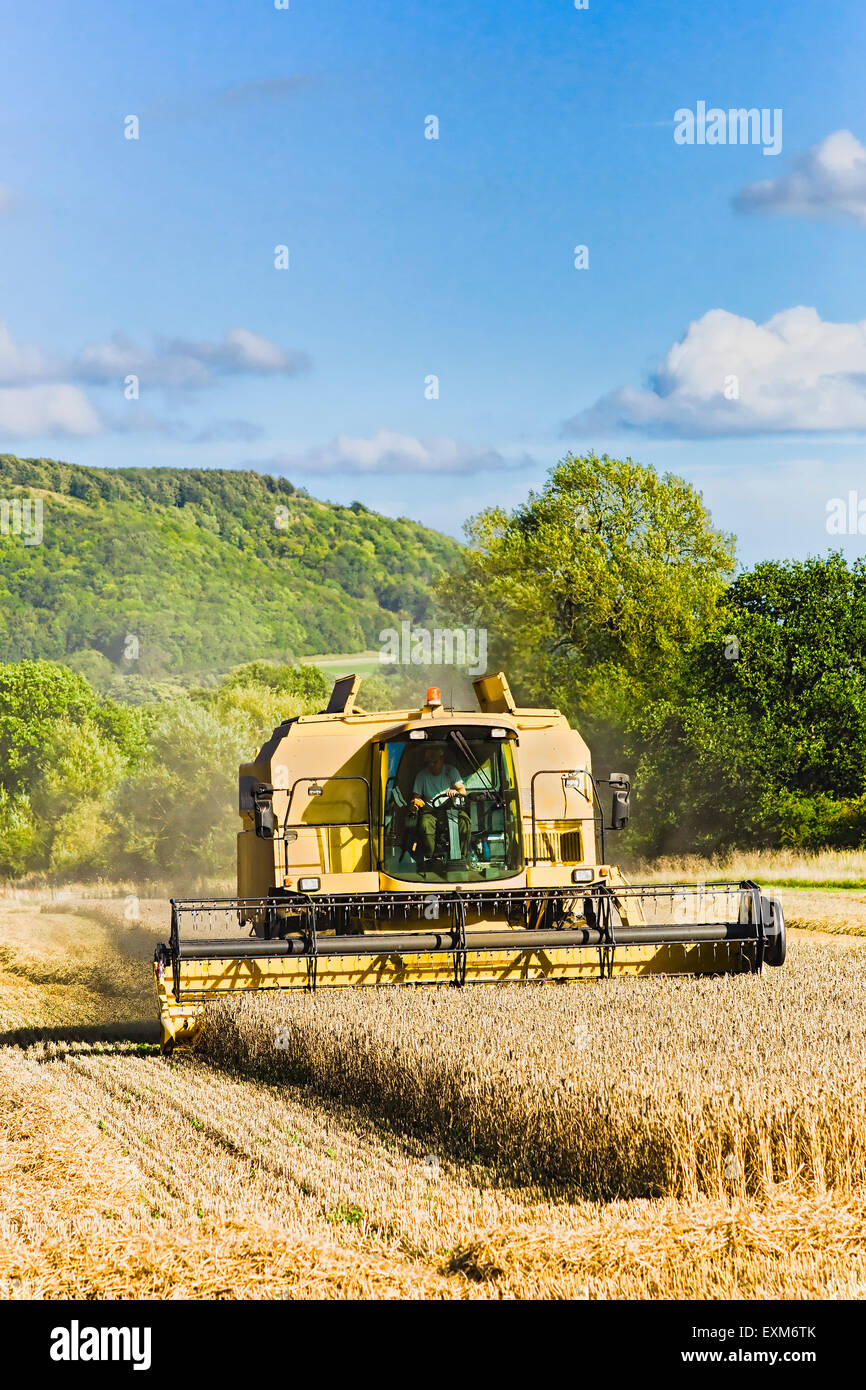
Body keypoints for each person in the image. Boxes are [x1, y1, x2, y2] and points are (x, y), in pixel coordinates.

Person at [412, 743, 470, 862]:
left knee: (465, 823)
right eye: (429, 763)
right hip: (430, 812)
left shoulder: (451, 771)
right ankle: (431, 858)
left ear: (441, 760)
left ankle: (462, 858)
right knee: (424, 825)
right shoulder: (422, 776)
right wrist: (415, 804)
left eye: (435, 762)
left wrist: (454, 791)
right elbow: (416, 798)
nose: (432, 765)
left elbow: (463, 791)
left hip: (452, 810)